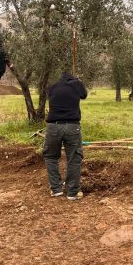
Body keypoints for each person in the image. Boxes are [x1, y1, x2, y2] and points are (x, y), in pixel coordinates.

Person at [43, 71, 88, 200]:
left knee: (51, 157)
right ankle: (72, 192)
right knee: (74, 159)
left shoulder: (52, 87)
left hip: (53, 127)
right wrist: (78, 82)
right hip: (72, 126)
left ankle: (56, 189)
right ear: (72, 79)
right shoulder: (76, 85)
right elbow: (84, 95)